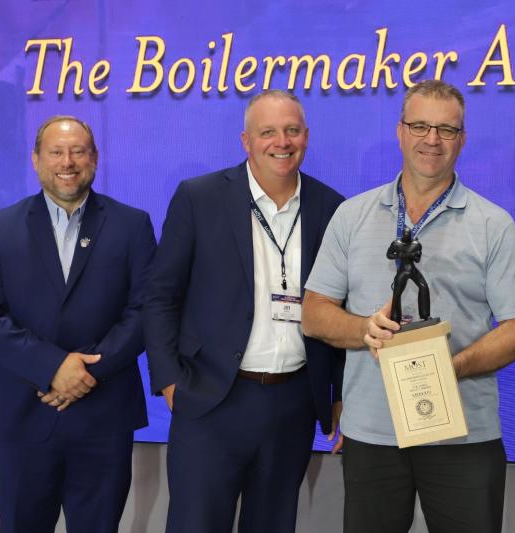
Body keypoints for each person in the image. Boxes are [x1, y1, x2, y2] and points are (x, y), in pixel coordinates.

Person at [301, 79, 515, 533]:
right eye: (420, 126)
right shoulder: (351, 216)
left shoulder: (493, 224)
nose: (432, 140)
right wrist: (363, 331)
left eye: (446, 130)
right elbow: (314, 313)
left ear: (462, 139)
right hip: (371, 435)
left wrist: (451, 367)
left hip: (464, 435)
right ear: (399, 131)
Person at [144, 90, 345, 533]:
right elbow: (160, 295)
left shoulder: (333, 208)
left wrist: (339, 394)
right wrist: (170, 381)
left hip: (292, 403)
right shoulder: (200, 197)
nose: (282, 141)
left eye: (292, 130)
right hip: (211, 398)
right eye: (267, 132)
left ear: (307, 137)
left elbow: (341, 307)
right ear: (245, 140)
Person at [0, 115, 156, 533]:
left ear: (95, 158)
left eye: (78, 151)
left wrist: (85, 372)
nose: (67, 162)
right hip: (21, 411)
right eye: (56, 152)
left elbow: (147, 311)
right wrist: (53, 367)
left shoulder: (132, 225)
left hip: (103, 413)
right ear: (36, 160)